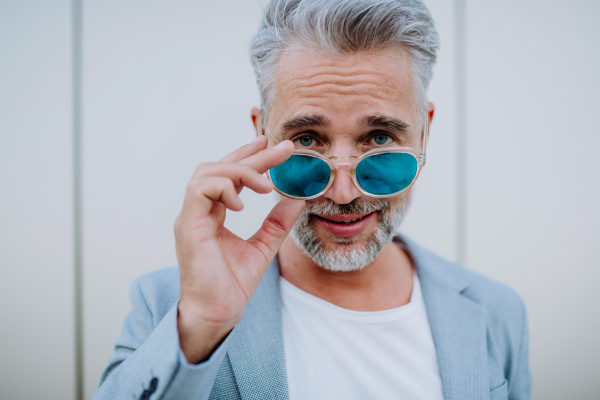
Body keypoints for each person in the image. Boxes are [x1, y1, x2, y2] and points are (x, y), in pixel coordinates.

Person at [93, 0, 531, 399]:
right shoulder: (169, 306)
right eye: (307, 139)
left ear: (424, 133)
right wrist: (201, 327)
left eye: (379, 138)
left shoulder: (496, 312)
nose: (343, 193)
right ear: (261, 133)